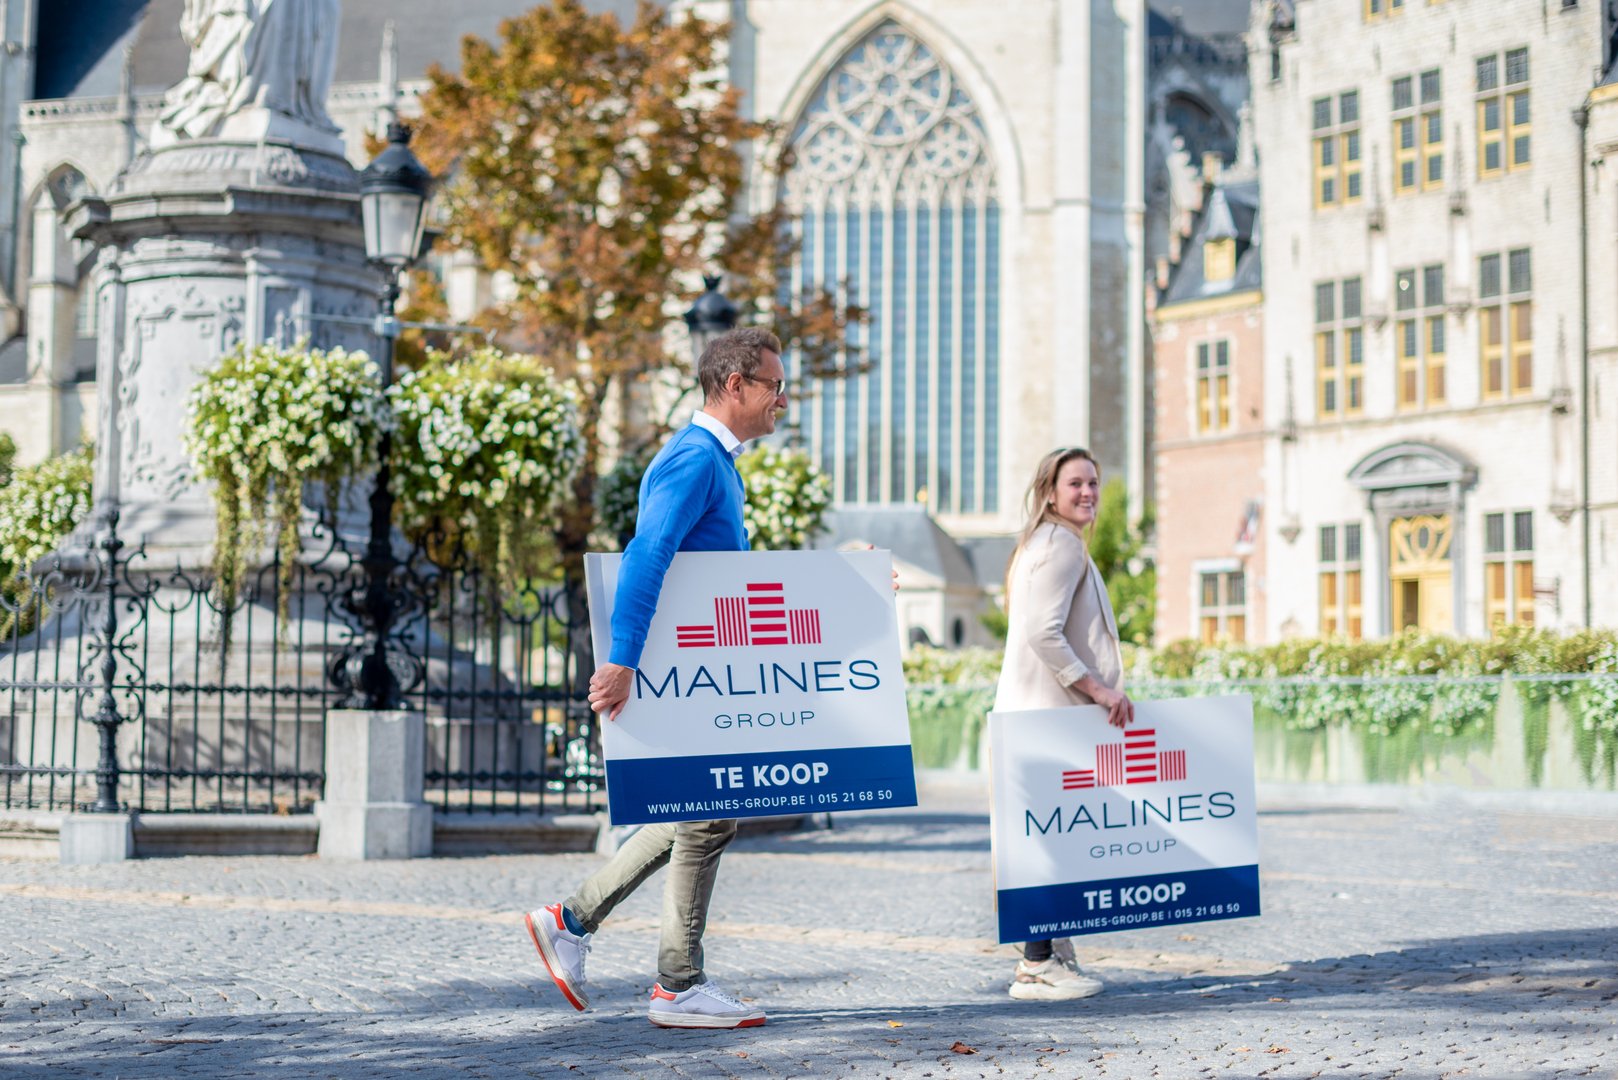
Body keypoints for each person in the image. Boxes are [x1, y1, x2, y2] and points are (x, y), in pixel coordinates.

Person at [526, 327, 787, 1030]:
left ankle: (571, 920)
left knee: (699, 812)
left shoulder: (715, 463)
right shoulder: (695, 459)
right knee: (705, 816)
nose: (782, 401)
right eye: (773, 385)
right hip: (684, 673)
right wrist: (623, 658)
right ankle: (677, 984)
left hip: (704, 672)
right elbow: (647, 555)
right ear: (735, 384)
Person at [994, 446, 1133, 1001]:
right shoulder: (1061, 548)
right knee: (1049, 839)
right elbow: (1042, 634)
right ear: (1050, 492)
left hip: (1035, 714)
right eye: (1075, 483)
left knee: (1048, 837)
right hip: (1047, 716)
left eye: (1094, 483)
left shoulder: (1045, 543)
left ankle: (1054, 953)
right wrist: (1100, 690)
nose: (1088, 493)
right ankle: (1035, 965)